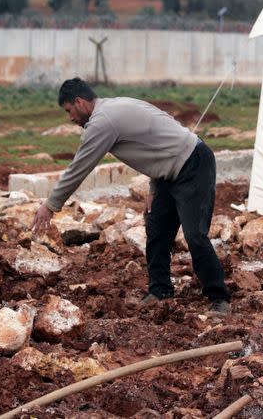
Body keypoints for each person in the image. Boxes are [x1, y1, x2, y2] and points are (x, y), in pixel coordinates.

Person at [31, 78, 231, 315]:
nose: (70, 118)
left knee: (195, 235)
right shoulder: (115, 106)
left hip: (193, 165)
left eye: (69, 111)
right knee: (156, 230)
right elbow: (156, 141)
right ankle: (160, 291)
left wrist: (51, 205)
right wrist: (155, 187)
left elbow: (79, 167)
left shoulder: (102, 122)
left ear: (80, 102)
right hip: (169, 173)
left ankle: (219, 298)